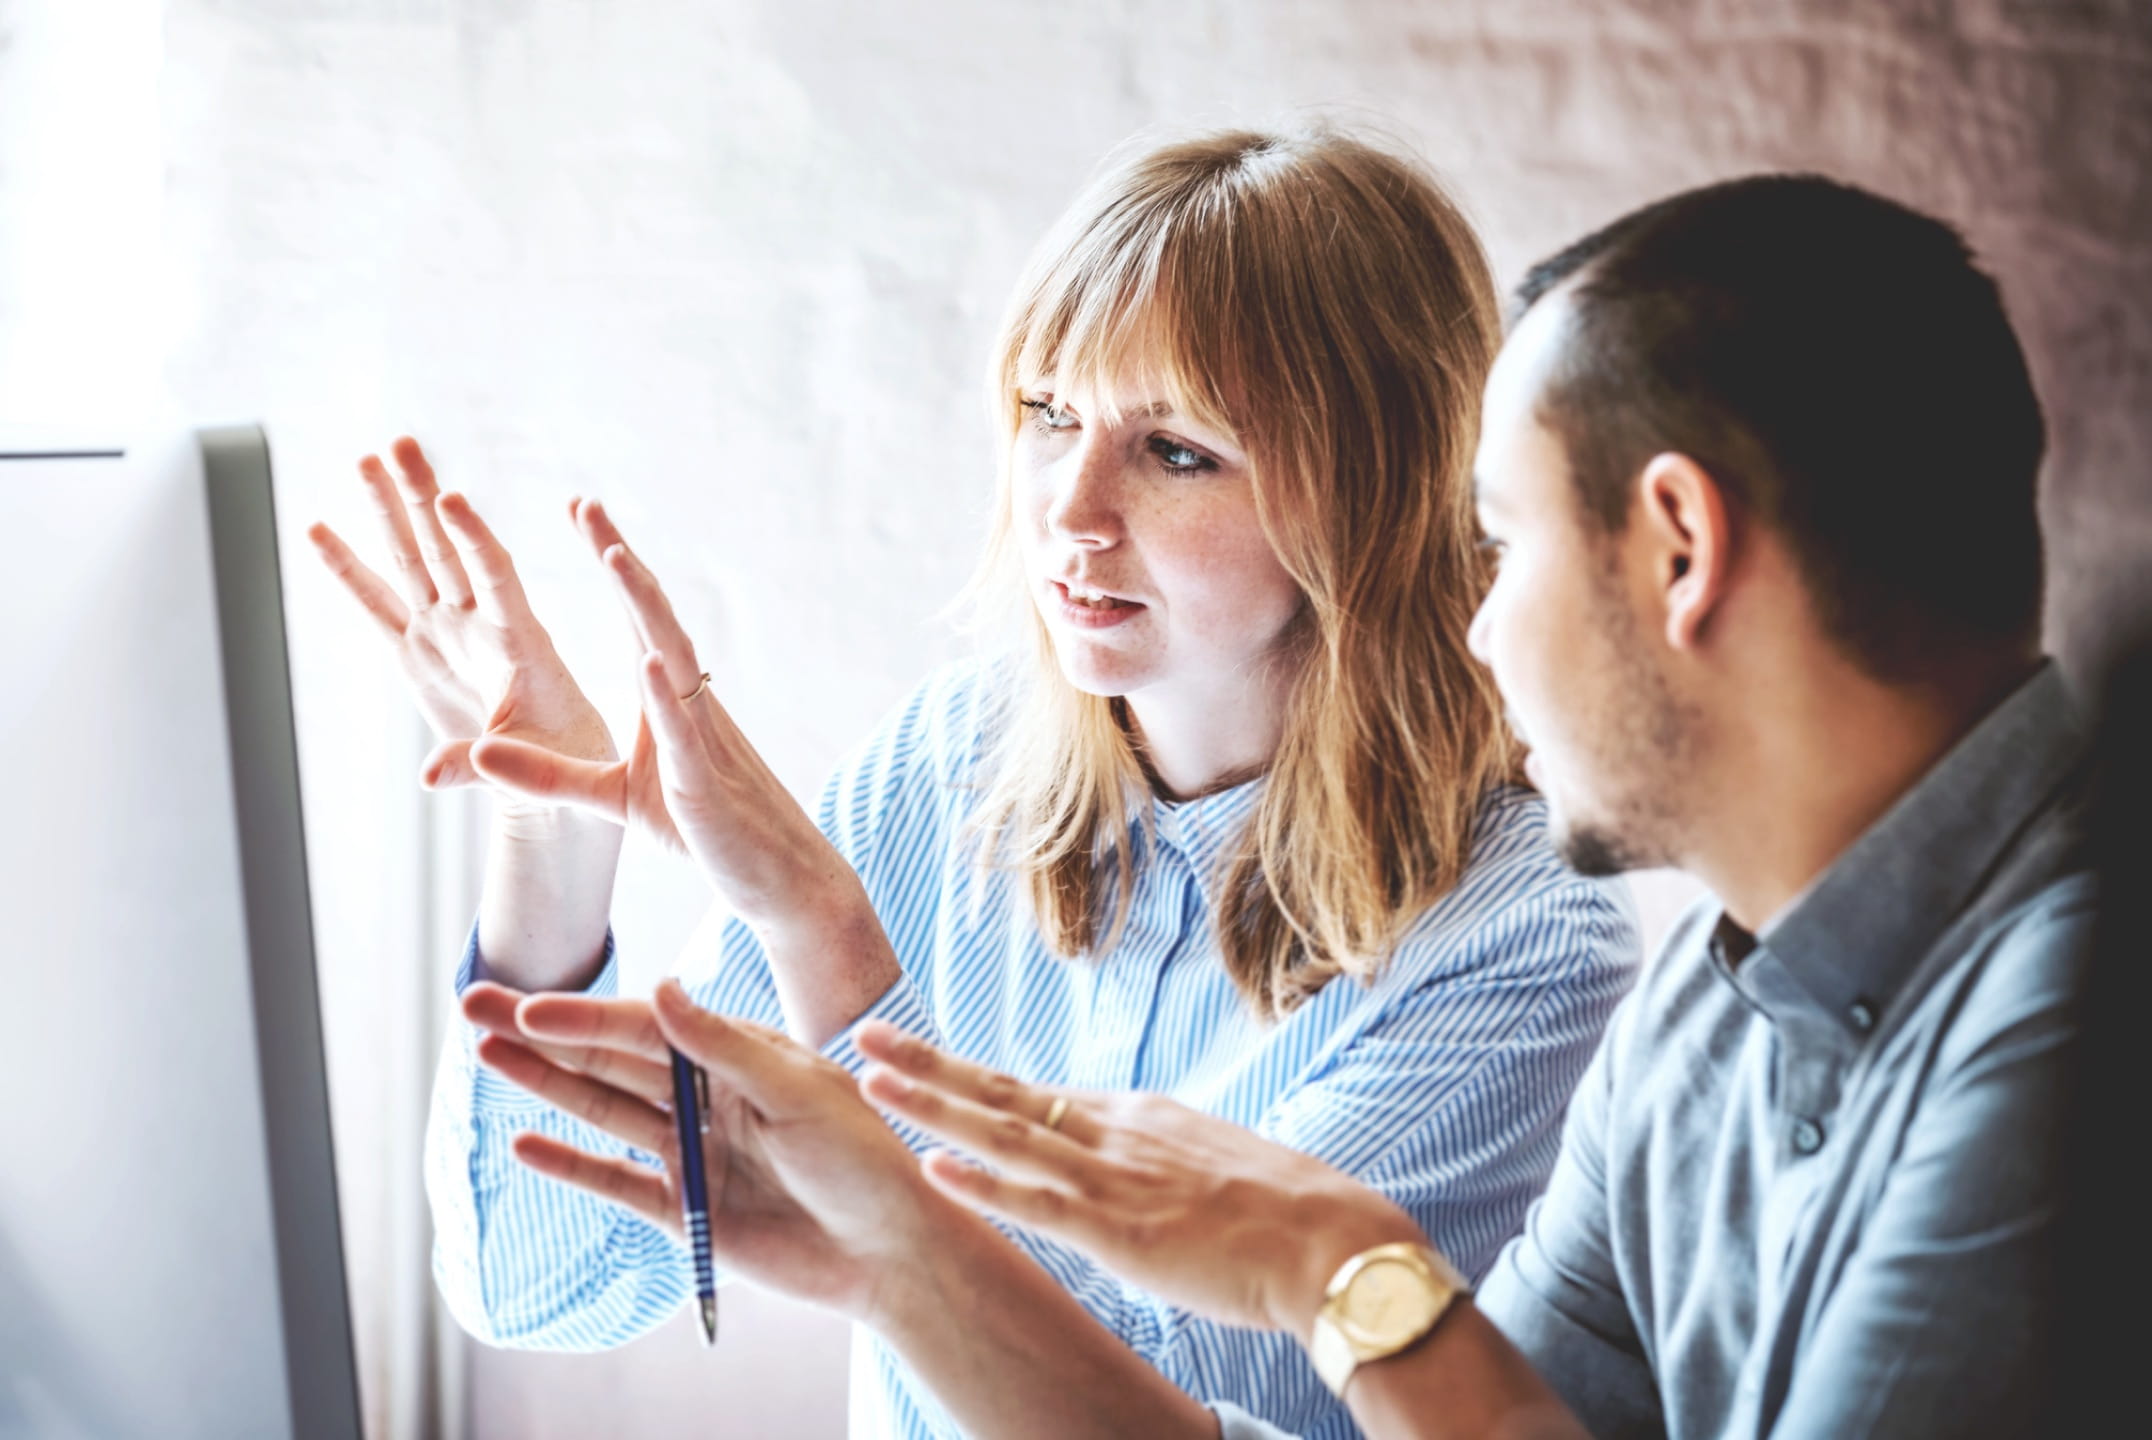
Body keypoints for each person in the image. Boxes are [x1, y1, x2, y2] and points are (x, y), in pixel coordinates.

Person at [493, 172, 2092, 1439]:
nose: (1476, 621)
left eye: (1507, 543)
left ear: (1680, 549)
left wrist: (1336, 1271)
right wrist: (908, 1263)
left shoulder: (2075, 1028)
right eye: (1047, 417)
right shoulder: (1712, 1009)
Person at [308, 125, 1638, 1440]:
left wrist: (825, 939)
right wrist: (551, 828)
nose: (1070, 508)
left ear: (1375, 493)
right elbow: (547, 1283)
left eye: (1176, 449)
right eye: (1049, 416)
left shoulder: (1522, 932)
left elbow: (1158, 1399)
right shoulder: (951, 766)